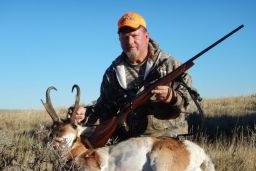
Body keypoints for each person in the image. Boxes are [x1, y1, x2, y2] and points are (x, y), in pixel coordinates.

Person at [69, 12, 200, 143]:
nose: (130, 42)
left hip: (168, 140)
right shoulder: (112, 72)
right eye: (124, 37)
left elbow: (193, 103)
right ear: (119, 40)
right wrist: (85, 112)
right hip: (129, 143)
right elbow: (105, 106)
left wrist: (172, 97)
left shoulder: (171, 65)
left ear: (146, 36)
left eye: (134, 36)